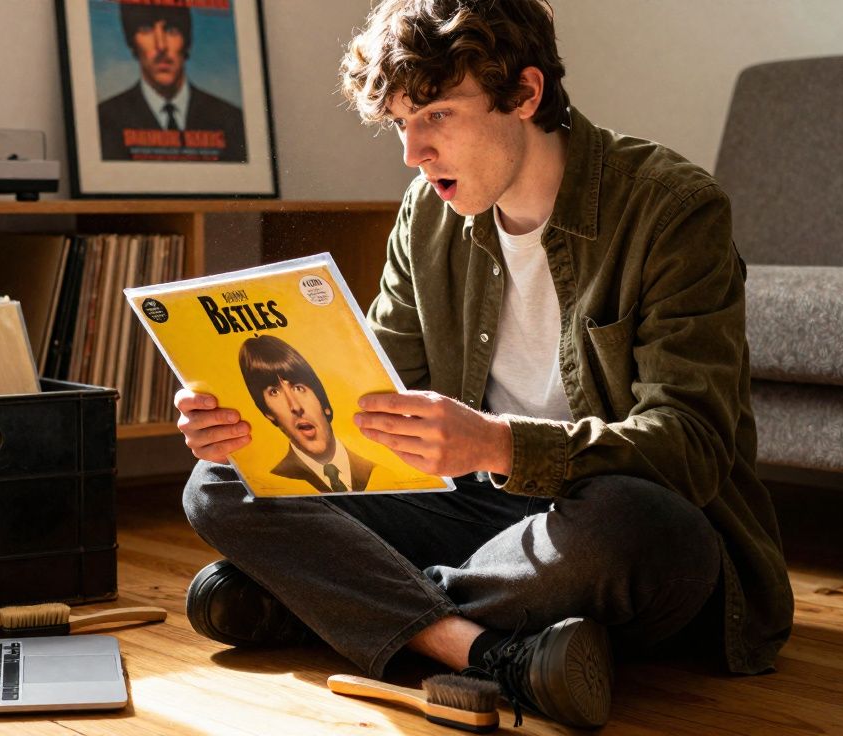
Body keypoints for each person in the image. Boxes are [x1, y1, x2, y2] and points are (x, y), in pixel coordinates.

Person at [176, 0, 793, 729]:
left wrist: (499, 444)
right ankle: (480, 649)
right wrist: (250, 426)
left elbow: (692, 447)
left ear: (526, 94)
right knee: (218, 481)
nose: (414, 152)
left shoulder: (672, 209)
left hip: (604, 523)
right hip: (483, 522)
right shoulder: (426, 212)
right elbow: (372, 403)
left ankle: (321, 600)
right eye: (401, 124)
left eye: (436, 114)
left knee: (634, 527)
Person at [97, 3, 247, 163]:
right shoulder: (104, 120)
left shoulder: (232, 120)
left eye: (171, 30)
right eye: (146, 30)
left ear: (186, 40)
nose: (161, 45)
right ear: (132, 42)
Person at [237, 334, 375, 493]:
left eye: (298, 387)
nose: (295, 406)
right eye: (274, 392)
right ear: (268, 413)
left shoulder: (376, 468)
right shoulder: (271, 482)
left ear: (322, 401)